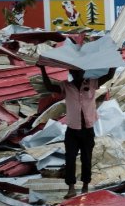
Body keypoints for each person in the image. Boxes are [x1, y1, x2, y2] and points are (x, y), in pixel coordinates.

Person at [39, 66, 115, 198]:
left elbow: (109, 76)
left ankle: (85, 187)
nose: (77, 74)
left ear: (83, 71)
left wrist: (114, 61)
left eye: (79, 71)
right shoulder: (66, 86)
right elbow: (50, 87)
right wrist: (42, 70)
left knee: (86, 158)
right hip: (72, 130)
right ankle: (71, 188)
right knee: (70, 158)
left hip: (87, 129)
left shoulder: (91, 83)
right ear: (71, 73)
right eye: (74, 72)